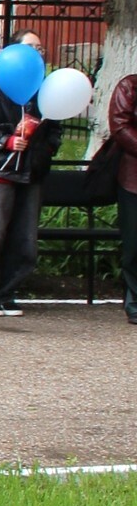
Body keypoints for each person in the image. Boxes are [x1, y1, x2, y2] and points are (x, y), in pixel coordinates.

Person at [0, 31, 62, 317]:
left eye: (40, 47)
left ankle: (8, 291)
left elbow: (55, 131)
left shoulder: (45, 91)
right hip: (0, 170)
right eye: (30, 47)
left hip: (31, 174)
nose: (37, 52)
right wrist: (6, 142)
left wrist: (41, 151)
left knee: (24, 240)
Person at [109, 70, 137, 324]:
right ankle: (135, 299)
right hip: (134, 179)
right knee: (134, 243)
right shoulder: (130, 86)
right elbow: (119, 126)